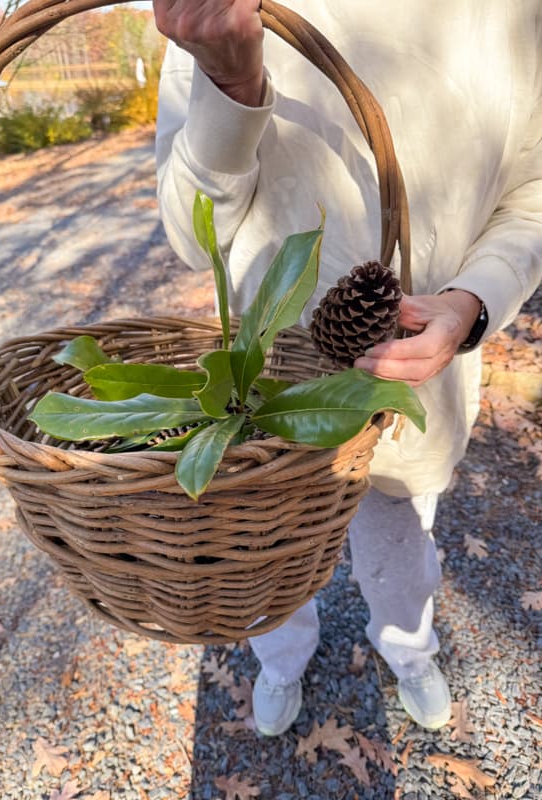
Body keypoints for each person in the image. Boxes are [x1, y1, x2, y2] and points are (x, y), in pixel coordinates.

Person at [151, 0, 542, 735]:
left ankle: (408, 647)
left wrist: (473, 300)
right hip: (265, 380)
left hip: (413, 373)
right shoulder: (222, 8)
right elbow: (189, 229)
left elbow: (534, 191)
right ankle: (282, 655)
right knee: (265, 539)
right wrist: (230, 88)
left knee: (399, 532)